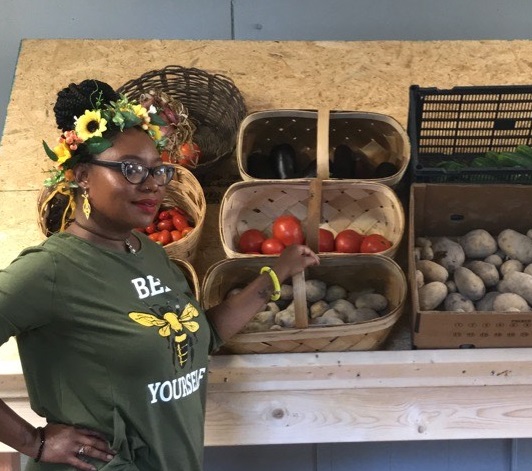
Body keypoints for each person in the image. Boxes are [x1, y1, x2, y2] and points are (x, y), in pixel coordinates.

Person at [0, 79, 320, 470]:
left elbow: (202, 335)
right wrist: (33, 442)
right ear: (82, 174)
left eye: (158, 170)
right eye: (131, 169)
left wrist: (275, 275)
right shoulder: (50, 269)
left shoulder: (149, 254)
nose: (152, 184)